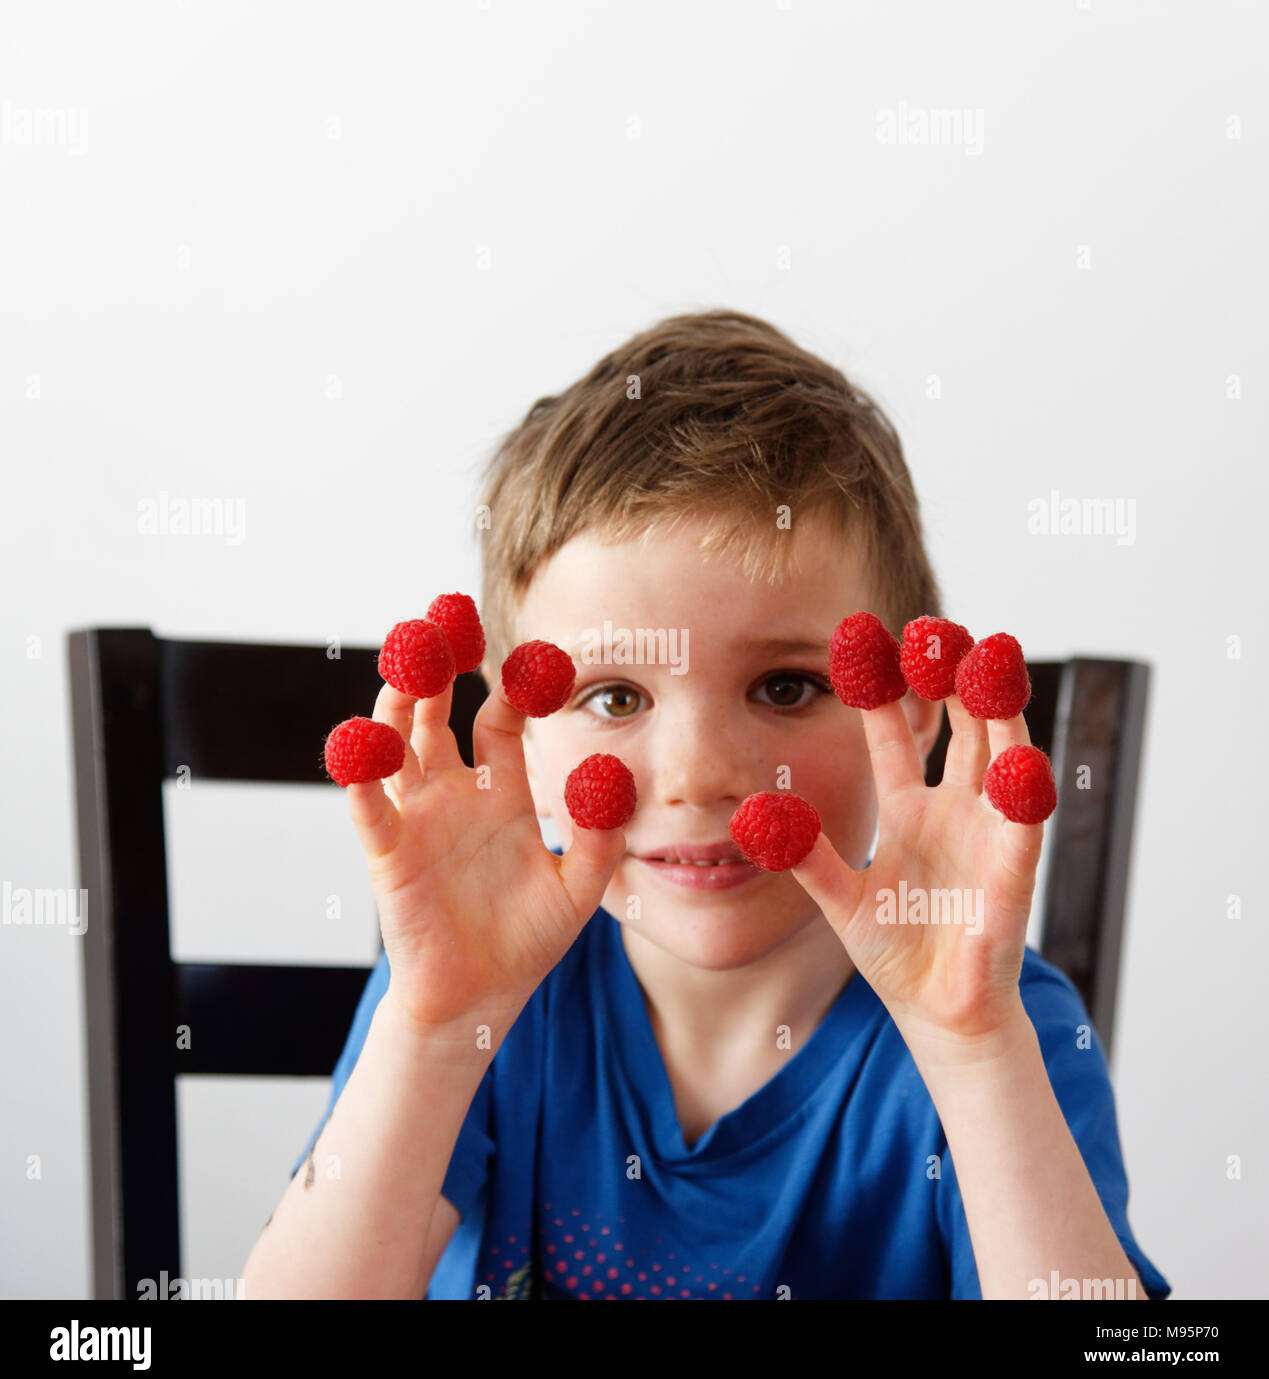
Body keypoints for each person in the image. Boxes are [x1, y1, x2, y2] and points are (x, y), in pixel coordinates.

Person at [241, 309, 1170, 1300]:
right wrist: (432, 1029)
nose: (697, 774)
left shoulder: (999, 1026)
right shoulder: (469, 999)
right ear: (517, 728)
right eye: (614, 697)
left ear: (913, 711)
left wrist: (974, 1054)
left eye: (784, 686)